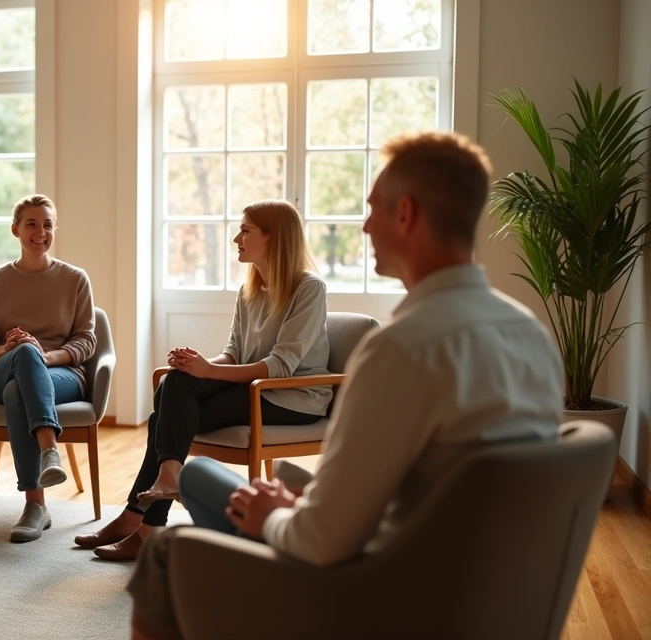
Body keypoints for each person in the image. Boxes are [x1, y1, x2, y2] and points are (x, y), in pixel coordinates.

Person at [127, 131, 566, 639]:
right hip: (476, 587)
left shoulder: (402, 350)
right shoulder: (531, 336)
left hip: (379, 593)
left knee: (166, 555)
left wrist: (276, 515)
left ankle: (161, 534)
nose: (363, 226)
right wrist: (300, 498)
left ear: (405, 214)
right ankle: (171, 484)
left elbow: (319, 541)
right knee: (202, 476)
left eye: (373, 209)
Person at [75, 200, 331, 562]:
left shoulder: (309, 288)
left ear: (273, 238)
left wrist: (209, 372)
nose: (236, 238)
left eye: (245, 230)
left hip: (291, 397)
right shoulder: (251, 290)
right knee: (176, 383)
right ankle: (156, 497)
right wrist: (198, 364)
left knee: (163, 417)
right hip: (254, 389)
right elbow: (233, 352)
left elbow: (281, 366)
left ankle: (140, 519)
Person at [0, 194, 97, 542]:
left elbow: (86, 341)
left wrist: (44, 355)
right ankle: (49, 451)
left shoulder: (75, 279)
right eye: (32, 224)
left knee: (19, 387)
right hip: (4, 369)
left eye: (48, 224)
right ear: (15, 230)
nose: (41, 232)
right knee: (23, 357)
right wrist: (5, 349)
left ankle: (35, 505)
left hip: (62, 373)